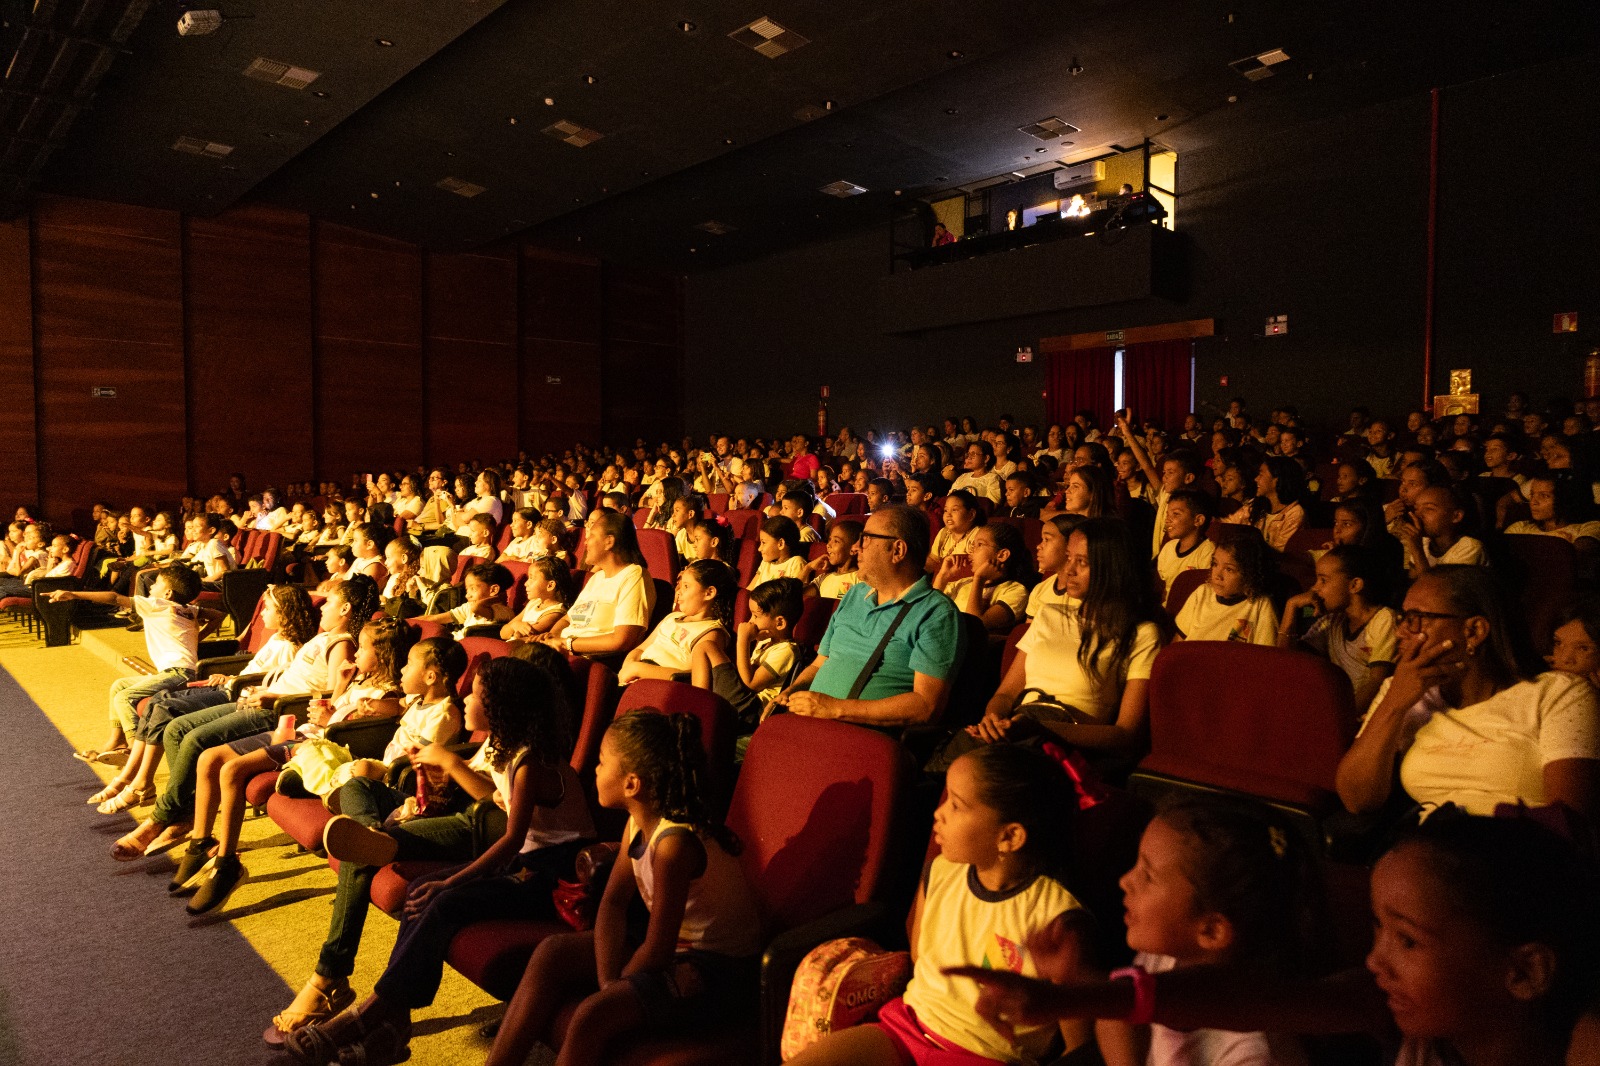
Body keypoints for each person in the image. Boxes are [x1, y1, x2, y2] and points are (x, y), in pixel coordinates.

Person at [946, 811, 1600, 1066]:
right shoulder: (1401, 1017)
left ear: (1525, 971)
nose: (1374, 958)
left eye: (1407, 940)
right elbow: (1253, 996)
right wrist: (1071, 1002)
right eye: (1377, 929)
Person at [278, 653, 594, 1059]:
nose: (465, 701)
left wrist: (453, 878)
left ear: (499, 706)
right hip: (532, 861)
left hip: (555, 873)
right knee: (422, 887)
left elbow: (513, 841)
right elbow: (514, 812)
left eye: (475, 695)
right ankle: (395, 1019)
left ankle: (374, 1012)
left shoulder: (531, 763)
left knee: (443, 896)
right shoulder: (514, 754)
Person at [786, 745, 1092, 1066]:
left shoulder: (1057, 919)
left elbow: (1080, 1046)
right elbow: (921, 958)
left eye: (956, 805)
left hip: (984, 1055)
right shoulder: (941, 870)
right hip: (906, 1028)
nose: (939, 812)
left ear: (1010, 837)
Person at [486, 711, 763, 1066]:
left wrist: (616, 989)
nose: (596, 771)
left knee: (592, 1015)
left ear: (632, 784)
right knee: (552, 952)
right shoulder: (636, 822)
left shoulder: (673, 846)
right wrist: (607, 978)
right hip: (676, 949)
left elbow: (658, 949)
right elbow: (614, 903)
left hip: (720, 970)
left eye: (602, 763)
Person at [108, 576, 381, 860]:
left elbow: (331, 691)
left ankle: (162, 817)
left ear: (346, 608)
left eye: (330, 602)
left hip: (278, 711)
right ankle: (185, 814)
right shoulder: (322, 637)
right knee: (176, 729)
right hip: (261, 696)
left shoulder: (342, 643)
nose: (322, 607)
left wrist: (273, 697)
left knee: (193, 739)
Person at [178, 616, 414, 914]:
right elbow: (338, 709)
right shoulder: (360, 680)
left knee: (231, 770)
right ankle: (200, 845)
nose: (354, 654)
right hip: (300, 736)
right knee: (208, 758)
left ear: (382, 655)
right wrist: (340, 686)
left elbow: (387, 712)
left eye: (362, 648)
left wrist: (332, 719)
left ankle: (226, 863)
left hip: (309, 747)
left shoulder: (385, 694)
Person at [1335, 565, 1600, 820]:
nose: (1401, 631)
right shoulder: (1402, 690)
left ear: (1474, 631)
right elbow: (1357, 800)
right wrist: (1394, 702)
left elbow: (1570, 822)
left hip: (1519, 852)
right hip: (1432, 845)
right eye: (1403, 617)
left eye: (1417, 619)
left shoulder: (1559, 694)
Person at [1092, 800, 1319, 1066]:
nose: (1125, 881)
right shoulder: (1165, 958)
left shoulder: (1254, 1052)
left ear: (1211, 930)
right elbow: (1114, 1025)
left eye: (1148, 875)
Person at [971, 517, 1165, 757]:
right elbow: (1005, 694)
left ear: (1112, 567)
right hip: (1017, 733)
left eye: (1081, 562)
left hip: (1067, 750)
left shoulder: (1141, 634)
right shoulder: (1048, 614)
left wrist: (1042, 729)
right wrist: (994, 720)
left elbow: (1126, 733)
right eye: (1069, 557)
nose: (1068, 569)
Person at [775, 504, 964, 729]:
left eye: (865, 539)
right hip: (809, 724)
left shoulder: (936, 613)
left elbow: (925, 707)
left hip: (861, 741)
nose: (855, 548)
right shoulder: (855, 594)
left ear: (897, 550)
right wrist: (792, 691)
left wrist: (834, 709)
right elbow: (819, 664)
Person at [56, 565, 222, 799]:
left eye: (156, 584)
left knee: (126, 696)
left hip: (177, 674)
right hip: (180, 671)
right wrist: (197, 640)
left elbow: (114, 597)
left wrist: (74, 594)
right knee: (119, 685)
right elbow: (217, 615)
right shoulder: (188, 609)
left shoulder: (156, 605)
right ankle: (114, 743)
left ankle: (133, 749)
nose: (150, 587)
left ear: (167, 594)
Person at [1278, 545, 1398, 712]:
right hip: (1335, 710)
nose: (1315, 588)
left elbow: (1376, 682)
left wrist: (1342, 721)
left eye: (1323, 580)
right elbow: (1287, 663)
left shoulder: (1384, 620)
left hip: (1362, 714)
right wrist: (1290, 607)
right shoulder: (1332, 620)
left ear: (1355, 585)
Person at [539, 510, 655, 666]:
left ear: (609, 541)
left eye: (592, 536)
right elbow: (568, 619)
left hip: (590, 662)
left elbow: (622, 640)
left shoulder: (634, 575)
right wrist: (551, 638)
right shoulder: (596, 578)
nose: (585, 542)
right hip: (562, 652)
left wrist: (566, 644)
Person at [705, 576, 804, 732]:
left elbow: (750, 683)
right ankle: (701, 702)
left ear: (779, 623)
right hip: (744, 700)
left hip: (752, 710)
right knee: (705, 648)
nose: (750, 621)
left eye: (756, 616)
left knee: (708, 647)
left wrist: (743, 640)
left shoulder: (787, 651)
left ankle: (702, 706)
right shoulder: (765, 641)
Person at [618, 559, 735, 685]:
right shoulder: (672, 617)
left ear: (709, 593)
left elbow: (691, 676)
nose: (679, 591)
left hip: (663, 687)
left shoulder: (710, 632)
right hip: (634, 677)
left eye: (686, 586)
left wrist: (638, 669)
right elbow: (640, 649)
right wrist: (629, 664)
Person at [1173, 532, 1279, 646]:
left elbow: (1265, 654)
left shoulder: (1260, 605)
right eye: (1215, 564)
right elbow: (1178, 641)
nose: (1218, 575)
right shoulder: (1202, 593)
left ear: (1249, 575)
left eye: (1229, 569)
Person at [934, 521, 1031, 634]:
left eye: (979, 545)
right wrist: (943, 577)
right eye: (972, 545)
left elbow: (974, 627)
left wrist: (979, 579)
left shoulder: (1015, 591)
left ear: (1002, 555)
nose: (971, 551)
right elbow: (927, 610)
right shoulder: (964, 582)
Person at [1395, 485, 1488, 580]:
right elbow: (1413, 582)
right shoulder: (1423, 542)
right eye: (1416, 508)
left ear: (1456, 516)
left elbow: (1434, 590)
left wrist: (1417, 550)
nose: (1418, 515)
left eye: (1429, 509)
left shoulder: (1470, 547)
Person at [1224, 457, 1306, 552]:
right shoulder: (1256, 505)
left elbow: (1281, 554)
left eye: (1261, 474)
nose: (1256, 479)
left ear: (1276, 480)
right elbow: (1229, 524)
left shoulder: (1294, 514)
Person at [501, 556, 575, 647]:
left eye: (532, 578)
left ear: (550, 585)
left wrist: (513, 628)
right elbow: (503, 633)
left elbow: (522, 637)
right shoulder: (533, 603)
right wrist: (514, 625)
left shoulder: (556, 613)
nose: (526, 583)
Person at [1153, 490, 1215, 595]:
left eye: (1176, 514)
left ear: (1198, 520)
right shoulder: (1169, 548)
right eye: (1167, 514)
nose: (1168, 520)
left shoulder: (1207, 552)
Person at [805, 518, 862, 600]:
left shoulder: (859, 579)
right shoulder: (823, 578)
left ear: (853, 550)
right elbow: (794, 596)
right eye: (829, 539)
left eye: (836, 541)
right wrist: (808, 568)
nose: (828, 545)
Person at [928, 490, 982, 572]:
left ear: (971, 514)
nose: (948, 515)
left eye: (954, 510)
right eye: (946, 510)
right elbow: (934, 560)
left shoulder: (978, 535)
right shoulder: (944, 532)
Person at [748, 515, 808, 589]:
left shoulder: (796, 563)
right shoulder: (766, 562)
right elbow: (749, 590)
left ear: (781, 544)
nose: (759, 549)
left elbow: (794, 593)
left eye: (763, 542)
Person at [951, 440, 1004, 505]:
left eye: (973, 454)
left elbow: (992, 504)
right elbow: (949, 497)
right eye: (968, 454)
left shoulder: (993, 478)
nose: (969, 457)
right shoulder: (963, 476)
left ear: (986, 458)